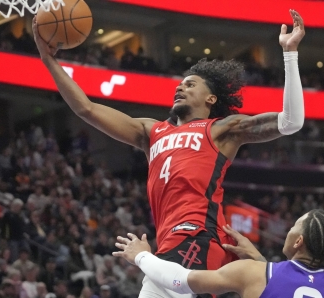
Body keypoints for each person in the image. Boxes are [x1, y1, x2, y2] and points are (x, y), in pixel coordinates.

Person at [33, 8, 306, 298]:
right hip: (168, 246)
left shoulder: (221, 129)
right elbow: (85, 109)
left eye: (190, 84)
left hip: (197, 237)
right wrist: (49, 60)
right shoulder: (151, 132)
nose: (180, 87)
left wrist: (289, 54)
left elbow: (291, 122)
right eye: (179, 84)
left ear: (211, 98)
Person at [114, 209, 324, 298]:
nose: (289, 230)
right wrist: (260, 260)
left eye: (294, 226)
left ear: (298, 242)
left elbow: (180, 281)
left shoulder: (253, 274)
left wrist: (141, 256)